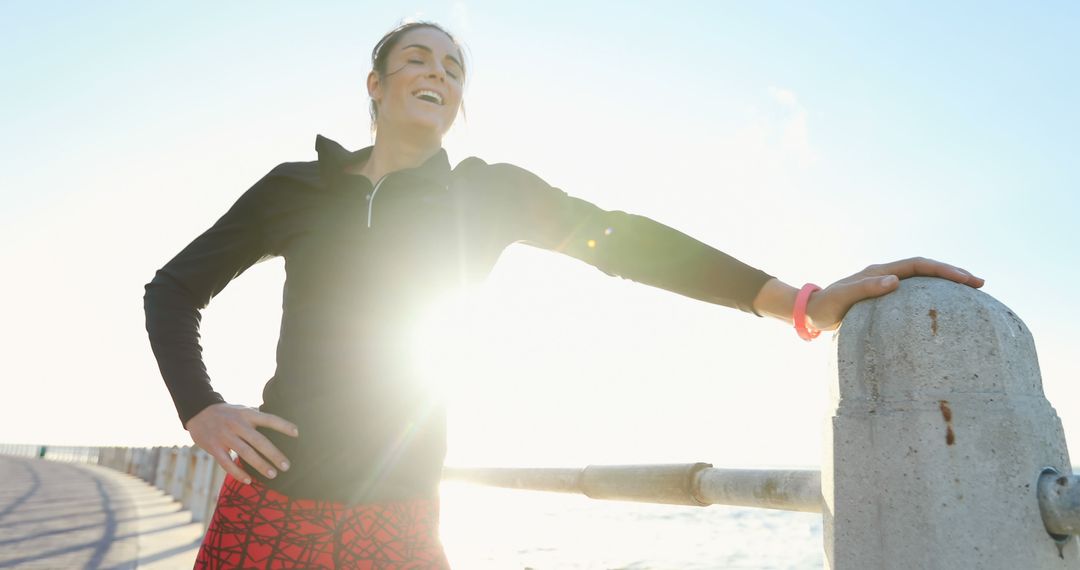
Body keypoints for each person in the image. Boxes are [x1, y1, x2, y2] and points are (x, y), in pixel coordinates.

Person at [143, 21, 984, 569]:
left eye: (453, 67)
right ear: (375, 84)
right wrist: (200, 408)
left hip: (395, 514)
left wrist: (797, 304)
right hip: (274, 499)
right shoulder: (298, 188)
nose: (437, 72)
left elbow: (625, 241)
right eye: (416, 58)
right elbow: (173, 289)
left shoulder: (486, 192)